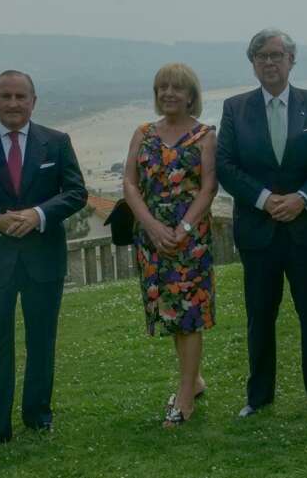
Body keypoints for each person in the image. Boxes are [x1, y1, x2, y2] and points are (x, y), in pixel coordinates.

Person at [0, 70, 87, 453]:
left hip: (43, 262)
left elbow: (75, 193)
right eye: (5, 96)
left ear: (33, 101)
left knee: (42, 343)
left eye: (20, 96)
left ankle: (38, 417)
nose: (13, 103)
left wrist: (38, 214)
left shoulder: (56, 144)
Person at [217, 29, 307, 418]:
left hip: (306, 230)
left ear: (292, 60)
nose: (269, 62)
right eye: (261, 56)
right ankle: (258, 397)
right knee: (259, 316)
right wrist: (264, 200)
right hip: (259, 232)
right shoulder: (234, 108)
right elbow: (225, 165)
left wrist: (301, 198)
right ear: (252, 63)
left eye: (276, 55)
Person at [122, 62, 218, 427]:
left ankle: (185, 397)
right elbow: (129, 184)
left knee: (188, 315)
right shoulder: (143, 132)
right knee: (170, 313)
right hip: (151, 238)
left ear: (192, 94)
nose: (169, 94)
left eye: (177, 88)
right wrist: (151, 227)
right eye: (162, 87)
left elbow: (209, 187)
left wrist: (183, 227)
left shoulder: (205, 135)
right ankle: (194, 381)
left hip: (188, 240)